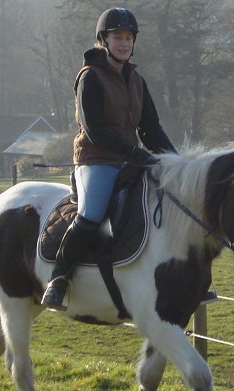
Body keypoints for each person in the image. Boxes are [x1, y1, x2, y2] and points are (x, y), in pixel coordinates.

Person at [41, 7, 177, 309]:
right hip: (95, 159)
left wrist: (176, 162)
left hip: (130, 160)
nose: (124, 43)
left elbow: (151, 128)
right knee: (91, 213)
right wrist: (137, 154)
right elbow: (96, 130)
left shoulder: (136, 80)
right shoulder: (89, 77)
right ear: (104, 40)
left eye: (128, 38)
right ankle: (58, 278)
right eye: (118, 37)